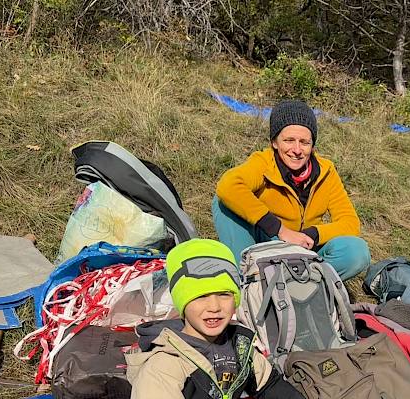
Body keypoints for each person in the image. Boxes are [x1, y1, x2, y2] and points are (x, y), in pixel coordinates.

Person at [125, 238, 303, 399]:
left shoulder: (240, 346)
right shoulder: (163, 367)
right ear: (182, 304)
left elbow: (270, 386)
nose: (214, 307)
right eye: (201, 296)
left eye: (224, 294)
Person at [213, 99, 370, 280]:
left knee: (357, 251)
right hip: (266, 245)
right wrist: (281, 231)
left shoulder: (326, 172)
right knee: (223, 202)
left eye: (304, 142)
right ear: (274, 142)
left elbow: (350, 223)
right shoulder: (263, 163)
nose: (297, 150)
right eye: (288, 140)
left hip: (306, 249)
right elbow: (228, 186)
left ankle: (303, 286)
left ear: (312, 145)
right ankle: (249, 280)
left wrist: (312, 234)